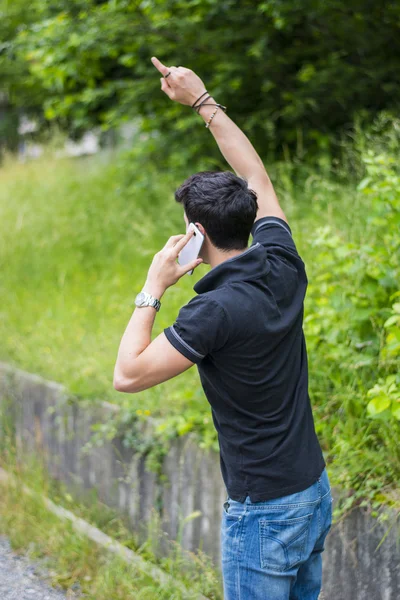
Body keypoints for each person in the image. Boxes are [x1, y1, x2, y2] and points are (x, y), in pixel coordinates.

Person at [113, 56, 332, 600]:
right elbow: (257, 177)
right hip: (312, 491)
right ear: (250, 218)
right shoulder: (283, 263)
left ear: (195, 233)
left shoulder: (213, 311)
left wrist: (153, 286)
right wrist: (202, 99)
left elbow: (128, 375)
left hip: (264, 514)